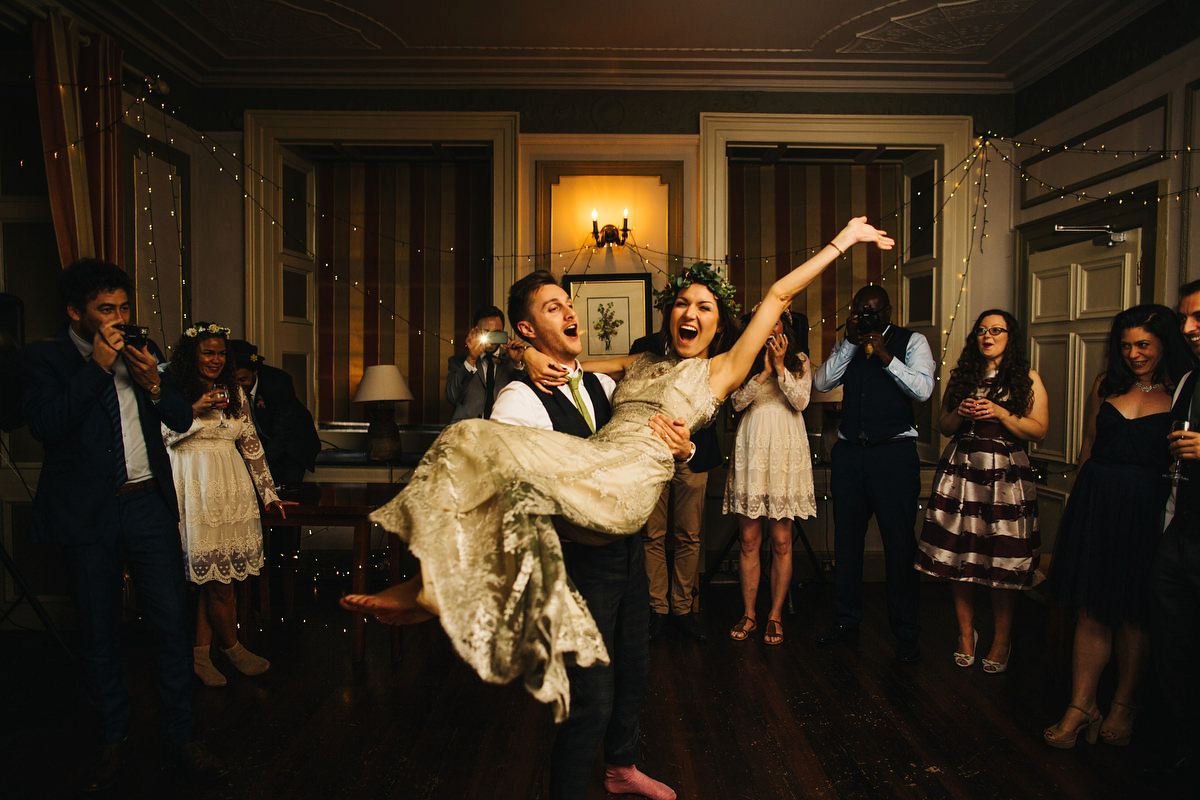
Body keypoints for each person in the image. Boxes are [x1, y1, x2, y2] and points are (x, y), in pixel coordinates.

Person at [341, 217, 894, 719]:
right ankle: (431, 588)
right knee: (472, 440)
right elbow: (562, 359)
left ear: (720, 324)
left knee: (524, 503)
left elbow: (778, 293)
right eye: (683, 303)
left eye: (705, 307)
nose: (691, 313)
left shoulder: (723, 371)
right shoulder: (640, 361)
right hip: (592, 458)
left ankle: (464, 599)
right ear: (669, 313)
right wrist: (523, 354)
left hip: (628, 479)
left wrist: (842, 243)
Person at [19, 259, 224, 790]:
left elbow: (180, 418)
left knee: (168, 623)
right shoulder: (46, 358)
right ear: (75, 313)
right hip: (87, 513)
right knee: (99, 629)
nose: (117, 318)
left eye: (123, 307)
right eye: (105, 309)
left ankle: (181, 735)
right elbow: (46, 425)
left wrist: (155, 384)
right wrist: (96, 368)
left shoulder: (144, 351)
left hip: (145, 507)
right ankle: (112, 737)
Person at [490, 270, 683, 800]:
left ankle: (620, 769)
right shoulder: (518, 401)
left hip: (627, 555)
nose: (570, 311)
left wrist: (679, 447)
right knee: (588, 699)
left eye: (568, 302)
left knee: (632, 673)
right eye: (553, 307)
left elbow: (641, 437)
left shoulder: (600, 386)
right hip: (574, 566)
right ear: (526, 332)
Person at [1043, 304, 1193, 749]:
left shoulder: (1181, 391)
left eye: (1143, 345)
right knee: (1091, 609)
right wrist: (1076, 511)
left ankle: (1125, 704)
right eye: (1126, 346)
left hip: (1148, 507)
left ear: (1164, 343)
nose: (1134, 354)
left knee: (1133, 614)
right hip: (1098, 503)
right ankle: (1081, 704)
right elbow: (1089, 444)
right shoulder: (1106, 385)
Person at [914, 310, 1048, 672]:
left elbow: (1039, 430)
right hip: (963, 470)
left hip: (1004, 475)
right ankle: (964, 633)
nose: (987, 336)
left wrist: (1000, 412)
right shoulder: (962, 377)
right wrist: (960, 411)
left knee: (1001, 556)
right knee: (961, 554)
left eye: (996, 330)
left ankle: (1002, 641)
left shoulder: (1026, 378)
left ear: (1010, 336)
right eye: (982, 330)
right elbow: (943, 426)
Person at [164, 323, 293, 688]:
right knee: (213, 579)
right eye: (208, 352)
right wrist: (194, 408)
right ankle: (233, 647)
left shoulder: (235, 391)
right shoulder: (173, 388)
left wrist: (269, 493)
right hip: (191, 487)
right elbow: (163, 437)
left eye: (220, 353)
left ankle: (200, 656)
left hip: (231, 489)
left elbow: (251, 445)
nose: (215, 359)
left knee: (220, 575)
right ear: (192, 355)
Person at [813, 285, 934, 663]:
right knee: (847, 544)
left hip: (894, 455)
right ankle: (846, 621)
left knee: (900, 545)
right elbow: (821, 383)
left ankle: (906, 631)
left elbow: (924, 390)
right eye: (859, 309)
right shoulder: (848, 344)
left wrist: (885, 356)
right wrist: (850, 343)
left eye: (872, 310)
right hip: (850, 455)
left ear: (888, 311)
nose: (865, 315)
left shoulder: (912, 342)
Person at [724, 309, 814, 646]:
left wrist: (779, 368)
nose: (771, 326)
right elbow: (735, 403)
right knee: (748, 540)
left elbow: (801, 401)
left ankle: (774, 615)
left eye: (776, 320)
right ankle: (749, 613)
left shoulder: (800, 359)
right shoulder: (742, 360)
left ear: (784, 325)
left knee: (781, 540)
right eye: (764, 320)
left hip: (786, 448)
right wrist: (762, 372)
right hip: (753, 447)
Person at [629, 330, 721, 642]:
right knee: (651, 535)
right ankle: (658, 609)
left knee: (689, 535)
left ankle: (683, 608)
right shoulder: (645, 349)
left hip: (695, 454)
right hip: (652, 454)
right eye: (680, 302)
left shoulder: (713, 351)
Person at [1150, 280, 1200, 777]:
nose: (1188, 329)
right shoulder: (1188, 382)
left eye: (1199, 317)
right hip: (1181, 535)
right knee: (1173, 649)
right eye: (1184, 318)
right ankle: (1180, 751)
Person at [227, 339, 320, 488]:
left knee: (286, 490)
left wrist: (260, 466)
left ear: (255, 371)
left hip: (292, 445)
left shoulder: (278, 383)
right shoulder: (227, 387)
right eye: (233, 381)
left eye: (243, 380)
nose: (238, 386)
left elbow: (283, 431)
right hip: (263, 446)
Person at [445, 305, 518, 421]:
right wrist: (471, 359)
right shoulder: (459, 361)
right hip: (468, 432)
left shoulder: (513, 360)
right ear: (475, 332)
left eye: (496, 333)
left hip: (503, 432)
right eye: (486, 333)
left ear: (503, 332)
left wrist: (518, 364)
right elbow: (452, 396)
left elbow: (525, 398)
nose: (491, 338)